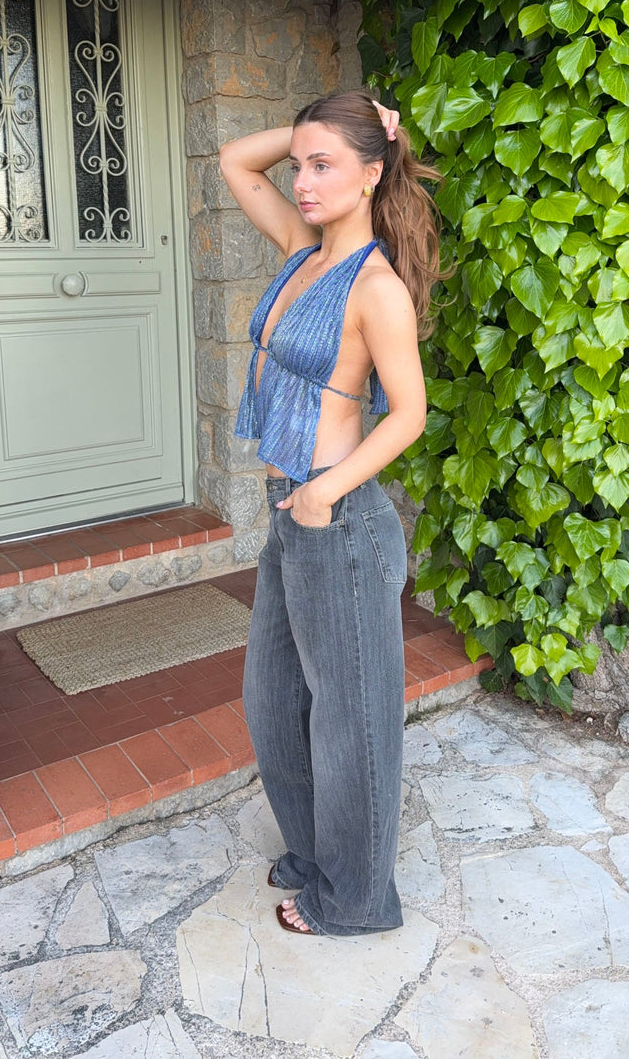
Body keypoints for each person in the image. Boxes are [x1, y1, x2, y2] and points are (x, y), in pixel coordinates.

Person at [218, 91, 443, 936]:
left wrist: (322, 490)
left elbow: (409, 414)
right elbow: (234, 160)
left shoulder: (375, 287)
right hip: (291, 513)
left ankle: (355, 898)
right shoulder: (301, 251)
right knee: (274, 699)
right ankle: (316, 850)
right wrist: (325, 127)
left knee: (352, 720)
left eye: (324, 165)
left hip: (337, 518)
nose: (303, 181)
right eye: (300, 166)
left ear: (371, 174)